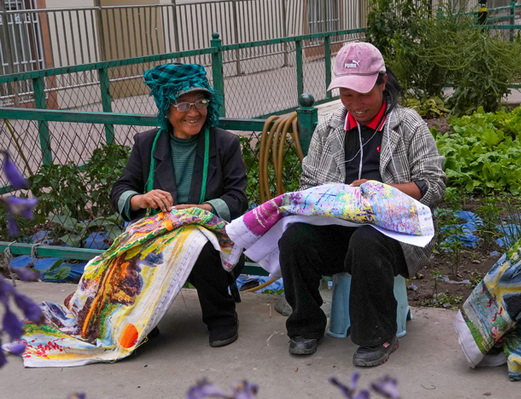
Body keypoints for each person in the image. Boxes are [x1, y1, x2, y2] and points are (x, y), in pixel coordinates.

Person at [279, 42, 445, 366]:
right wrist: (325, 200)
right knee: (294, 239)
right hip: (337, 229)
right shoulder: (329, 128)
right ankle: (306, 327)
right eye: (346, 94)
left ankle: (377, 336)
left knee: (366, 240)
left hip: (394, 233)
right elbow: (308, 183)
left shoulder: (408, 125)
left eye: (364, 93)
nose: (355, 104)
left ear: (382, 83)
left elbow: (434, 185)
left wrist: (381, 192)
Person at [111, 63, 247, 347]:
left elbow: (238, 198)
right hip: (163, 235)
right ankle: (143, 321)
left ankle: (221, 317)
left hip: (210, 235)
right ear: (165, 107)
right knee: (131, 248)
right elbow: (121, 190)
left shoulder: (224, 144)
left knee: (201, 248)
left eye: (201, 102)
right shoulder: (147, 144)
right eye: (183, 103)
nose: (194, 111)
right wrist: (141, 199)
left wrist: (203, 210)